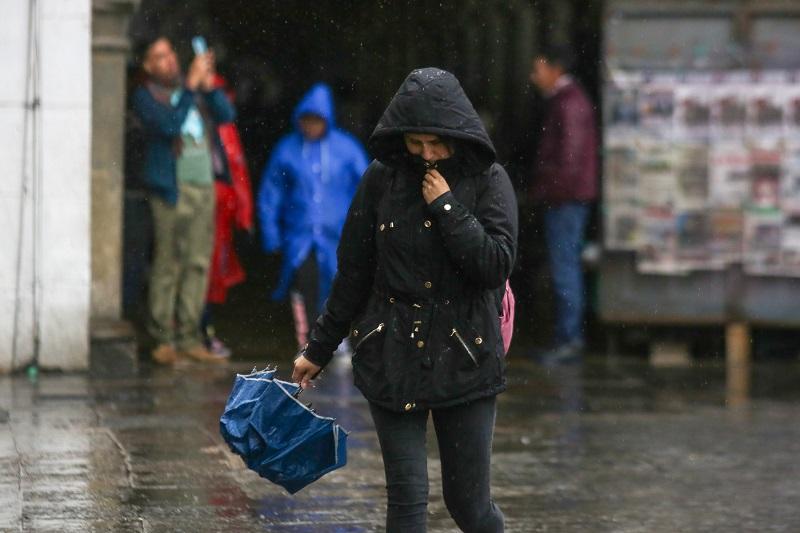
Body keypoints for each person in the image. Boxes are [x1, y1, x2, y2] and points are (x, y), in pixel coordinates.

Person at [293, 68, 518, 532]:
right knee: (408, 498)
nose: (427, 155)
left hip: (466, 351)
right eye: (417, 144)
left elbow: (495, 264)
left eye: (437, 143)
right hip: (392, 348)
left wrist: (448, 207)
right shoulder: (382, 179)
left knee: (469, 505)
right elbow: (354, 271)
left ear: (457, 135)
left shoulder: (489, 179)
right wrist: (318, 347)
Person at [132, 36, 235, 364]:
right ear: (148, 66)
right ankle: (163, 338)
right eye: (160, 57)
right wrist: (191, 88)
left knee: (197, 262)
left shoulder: (194, 92)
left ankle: (190, 337)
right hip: (170, 188)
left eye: (170, 54)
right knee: (168, 263)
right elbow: (169, 125)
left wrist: (208, 86)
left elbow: (226, 113)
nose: (170, 61)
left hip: (203, 185)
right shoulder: (146, 96)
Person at [258, 83, 368, 351]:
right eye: (307, 120)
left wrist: (368, 230)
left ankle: (338, 342)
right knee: (304, 286)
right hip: (300, 235)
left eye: (317, 120)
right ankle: (307, 342)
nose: (311, 126)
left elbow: (368, 190)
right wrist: (270, 233)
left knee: (340, 287)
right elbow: (271, 193)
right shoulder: (287, 150)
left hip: (338, 235)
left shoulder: (346, 149)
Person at [528, 46, 598, 365]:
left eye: (538, 68)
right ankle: (566, 337)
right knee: (565, 266)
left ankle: (569, 339)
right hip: (567, 197)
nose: (534, 76)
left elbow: (569, 159)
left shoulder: (568, 102)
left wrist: (550, 190)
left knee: (564, 268)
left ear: (555, 69)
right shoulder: (567, 100)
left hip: (566, 199)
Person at [202, 74, 254, 358]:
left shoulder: (226, 128)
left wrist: (244, 214)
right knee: (197, 268)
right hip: (203, 204)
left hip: (223, 207)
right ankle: (194, 331)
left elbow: (238, 172)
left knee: (215, 271)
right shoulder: (193, 117)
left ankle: (205, 328)